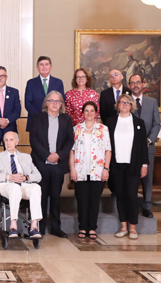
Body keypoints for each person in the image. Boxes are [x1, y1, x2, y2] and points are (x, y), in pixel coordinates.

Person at [30, 91, 74, 238]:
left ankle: (55, 228)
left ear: (61, 104)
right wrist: (47, 155)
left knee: (56, 197)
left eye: (58, 101)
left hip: (58, 165)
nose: (55, 103)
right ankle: (40, 227)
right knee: (40, 197)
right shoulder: (37, 118)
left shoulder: (66, 119)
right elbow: (33, 139)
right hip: (41, 163)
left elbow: (69, 141)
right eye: (52, 100)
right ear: (46, 103)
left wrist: (58, 155)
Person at [107, 94, 149, 240]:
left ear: (132, 106)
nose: (124, 105)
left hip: (133, 165)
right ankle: (123, 226)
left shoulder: (139, 122)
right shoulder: (111, 122)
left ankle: (133, 228)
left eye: (127, 103)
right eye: (122, 102)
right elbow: (107, 145)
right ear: (117, 105)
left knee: (132, 195)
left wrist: (144, 164)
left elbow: (143, 146)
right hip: (116, 165)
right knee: (120, 195)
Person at [0, 131, 42, 239]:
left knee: (36, 188)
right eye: (6, 140)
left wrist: (26, 177)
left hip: (23, 184)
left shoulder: (26, 157)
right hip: (6, 185)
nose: (8, 143)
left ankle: (34, 226)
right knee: (14, 187)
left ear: (17, 141)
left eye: (11, 140)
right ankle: (13, 224)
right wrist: (8, 177)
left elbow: (38, 176)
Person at [69, 102, 111, 240]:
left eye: (91, 111)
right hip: (80, 171)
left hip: (97, 171)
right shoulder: (76, 129)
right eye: (86, 111)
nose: (89, 113)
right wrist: (72, 169)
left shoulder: (103, 129)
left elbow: (108, 150)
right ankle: (82, 227)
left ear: (96, 112)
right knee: (82, 200)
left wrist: (106, 168)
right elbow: (72, 151)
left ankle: (92, 228)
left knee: (94, 200)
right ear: (82, 113)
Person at [129, 74, 161, 218]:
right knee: (132, 176)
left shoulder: (152, 102)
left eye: (138, 82)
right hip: (130, 147)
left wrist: (149, 140)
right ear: (129, 86)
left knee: (147, 177)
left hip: (148, 146)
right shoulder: (126, 102)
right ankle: (132, 205)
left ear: (143, 84)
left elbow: (156, 123)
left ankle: (147, 206)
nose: (135, 85)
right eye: (132, 83)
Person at [99, 69, 131, 196]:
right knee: (112, 158)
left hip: (128, 131)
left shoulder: (129, 91)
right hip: (111, 131)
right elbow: (103, 113)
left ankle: (125, 187)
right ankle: (114, 188)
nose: (114, 77)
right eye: (111, 76)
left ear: (122, 76)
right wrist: (111, 127)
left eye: (116, 74)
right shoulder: (105, 93)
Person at [25, 56, 65, 132]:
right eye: (41, 64)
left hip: (54, 120)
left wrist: (51, 116)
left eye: (46, 64)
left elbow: (61, 101)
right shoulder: (31, 83)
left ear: (50, 67)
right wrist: (41, 116)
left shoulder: (58, 82)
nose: (44, 67)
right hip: (36, 121)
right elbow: (28, 103)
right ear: (37, 67)